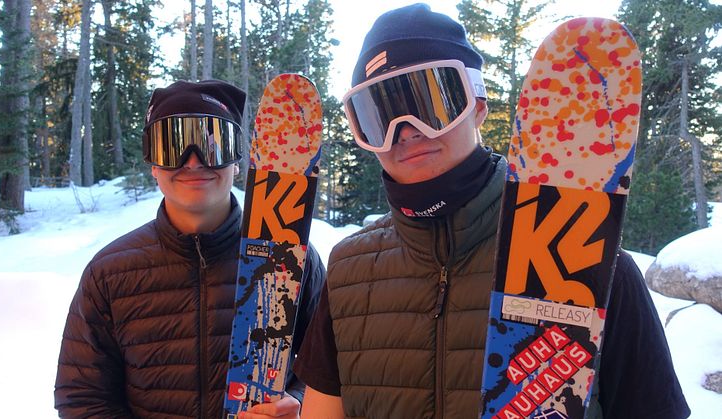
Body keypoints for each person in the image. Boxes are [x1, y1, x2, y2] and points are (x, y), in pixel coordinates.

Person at [293, 4, 690, 419]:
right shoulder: (349, 270)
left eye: (430, 101)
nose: (406, 130)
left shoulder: (588, 263)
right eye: (379, 116)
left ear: (478, 103)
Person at [54, 80, 326, 419]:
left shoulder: (289, 256)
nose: (194, 162)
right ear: (153, 164)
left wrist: (297, 405)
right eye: (173, 146)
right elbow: (82, 397)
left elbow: (328, 372)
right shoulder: (110, 272)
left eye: (214, 145)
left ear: (239, 161)